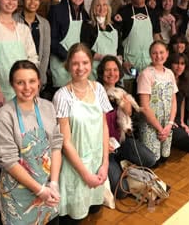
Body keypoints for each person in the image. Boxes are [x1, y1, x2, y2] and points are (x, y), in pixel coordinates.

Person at [0, 60, 63, 225]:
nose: (27, 87)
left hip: (47, 184)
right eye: (20, 82)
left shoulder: (48, 108)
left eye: (32, 81)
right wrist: (39, 190)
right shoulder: (5, 116)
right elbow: (9, 162)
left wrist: (54, 183)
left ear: (39, 82)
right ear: (12, 85)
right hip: (18, 192)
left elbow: (56, 146)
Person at [53, 43, 111, 224]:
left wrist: (105, 164)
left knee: (94, 210)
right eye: (75, 63)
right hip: (76, 169)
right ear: (68, 65)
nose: (80, 68)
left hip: (97, 165)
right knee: (75, 217)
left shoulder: (99, 89)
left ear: (91, 63)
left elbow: (104, 127)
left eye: (85, 62)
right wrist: (85, 175)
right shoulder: (62, 96)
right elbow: (66, 142)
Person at [96, 55, 156, 198]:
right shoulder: (95, 92)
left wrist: (128, 110)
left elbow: (131, 118)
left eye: (115, 70)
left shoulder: (122, 91)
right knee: (121, 191)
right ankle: (122, 168)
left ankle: (124, 166)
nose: (112, 73)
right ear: (101, 72)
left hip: (121, 142)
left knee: (150, 159)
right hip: (103, 148)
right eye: (107, 70)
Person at [137, 41, 177, 165]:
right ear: (150, 55)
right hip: (152, 125)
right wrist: (160, 129)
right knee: (153, 161)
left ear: (167, 53)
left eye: (161, 52)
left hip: (166, 125)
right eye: (154, 53)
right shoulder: (146, 74)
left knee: (165, 157)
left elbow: (173, 100)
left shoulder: (170, 73)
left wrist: (169, 124)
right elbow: (144, 107)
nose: (158, 56)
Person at [114, 0, 160, 77]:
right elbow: (116, 38)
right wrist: (122, 61)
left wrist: (160, 57)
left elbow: (156, 36)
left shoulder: (153, 13)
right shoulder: (123, 12)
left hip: (149, 63)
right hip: (129, 65)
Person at [49, 0, 89, 88]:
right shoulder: (56, 10)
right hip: (61, 64)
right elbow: (52, 41)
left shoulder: (84, 14)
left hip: (78, 65)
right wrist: (69, 57)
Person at [14, 0, 51, 90]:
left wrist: (40, 76)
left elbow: (45, 53)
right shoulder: (13, 20)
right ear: (22, 0)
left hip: (37, 72)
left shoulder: (44, 23)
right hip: (18, 71)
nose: (32, 2)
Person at [80, 0, 119, 80]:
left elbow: (119, 47)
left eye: (104, 5)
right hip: (95, 70)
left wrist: (119, 58)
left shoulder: (114, 26)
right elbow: (85, 49)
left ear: (108, 8)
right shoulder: (88, 26)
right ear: (93, 9)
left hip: (112, 70)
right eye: (98, 5)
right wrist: (103, 57)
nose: (102, 8)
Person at [166, 53, 189, 152]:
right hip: (167, 118)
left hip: (177, 117)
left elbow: (182, 101)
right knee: (183, 137)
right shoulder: (166, 79)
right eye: (176, 63)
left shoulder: (184, 80)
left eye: (182, 64)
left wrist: (182, 122)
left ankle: (173, 140)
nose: (179, 66)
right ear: (170, 64)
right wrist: (170, 121)